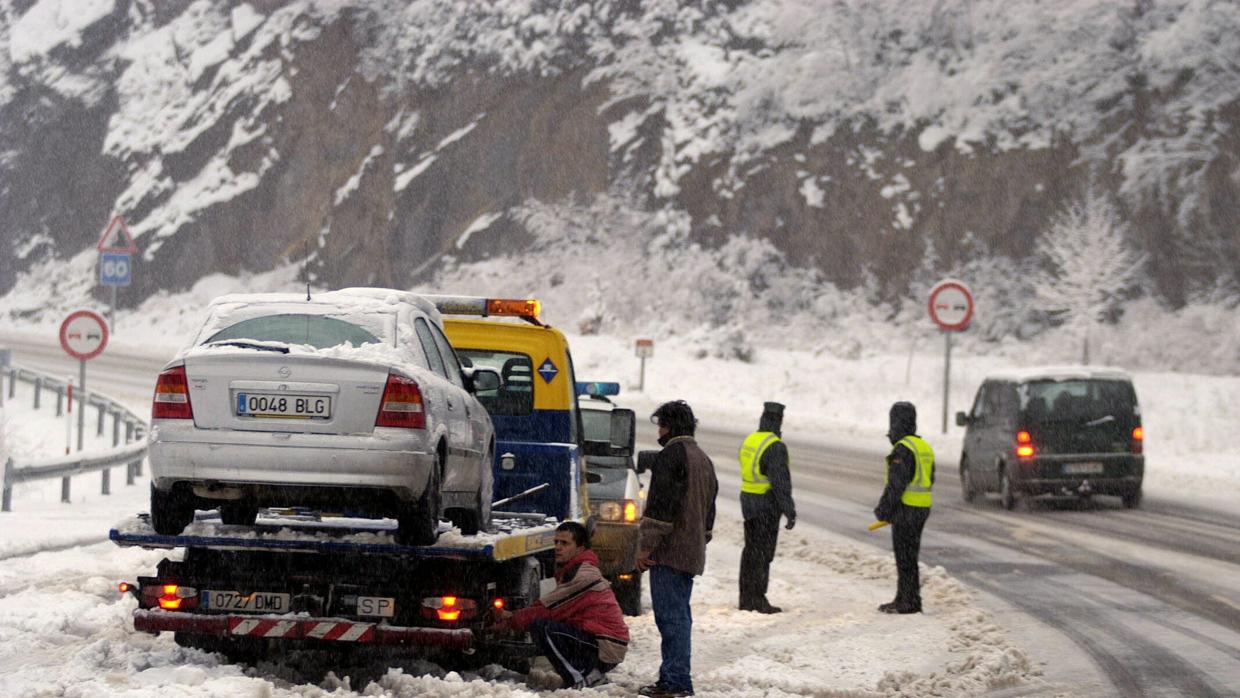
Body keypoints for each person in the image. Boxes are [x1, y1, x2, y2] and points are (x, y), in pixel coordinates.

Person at [636, 400, 718, 698]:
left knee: (671, 620)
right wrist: (699, 538)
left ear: (668, 426)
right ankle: (675, 677)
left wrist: (646, 547)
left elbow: (661, 509)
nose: (658, 430)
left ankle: (675, 681)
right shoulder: (702, 458)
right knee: (679, 616)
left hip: (669, 553)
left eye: (660, 424)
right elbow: (710, 510)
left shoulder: (671, 456)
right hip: (690, 551)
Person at [487, 521, 629, 689]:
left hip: (606, 647)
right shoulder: (576, 569)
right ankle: (587, 673)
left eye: (565, 543)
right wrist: (510, 620)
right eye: (556, 542)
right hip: (600, 642)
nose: (557, 547)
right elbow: (546, 606)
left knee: (544, 627)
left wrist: (510, 618)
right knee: (548, 626)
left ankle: (578, 679)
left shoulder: (582, 575)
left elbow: (547, 610)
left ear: (580, 548)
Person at [873, 401, 934, 614]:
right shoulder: (923, 446)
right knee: (910, 556)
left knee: (904, 557)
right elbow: (930, 478)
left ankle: (907, 602)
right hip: (922, 509)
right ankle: (906, 598)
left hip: (906, 510)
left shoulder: (903, 449)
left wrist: (883, 510)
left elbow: (896, 485)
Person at [737, 401, 796, 613]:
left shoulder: (752, 440)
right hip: (766, 506)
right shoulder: (775, 446)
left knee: (751, 551)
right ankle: (757, 599)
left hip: (748, 503)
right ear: (779, 420)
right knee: (762, 554)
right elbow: (780, 483)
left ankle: (746, 598)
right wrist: (789, 510)